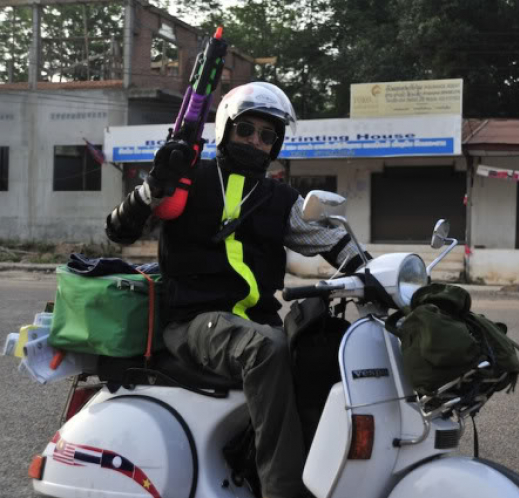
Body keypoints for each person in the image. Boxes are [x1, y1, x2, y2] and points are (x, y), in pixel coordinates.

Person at [105, 81, 367, 498]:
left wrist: (379, 276)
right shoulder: (188, 180)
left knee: (324, 347)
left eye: (267, 136)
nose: (255, 141)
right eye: (246, 130)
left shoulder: (280, 198)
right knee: (265, 348)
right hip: (193, 322)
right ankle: (283, 490)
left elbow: (330, 241)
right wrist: (154, 186)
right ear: (226, 130)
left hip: (254, 323)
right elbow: (120, 230)